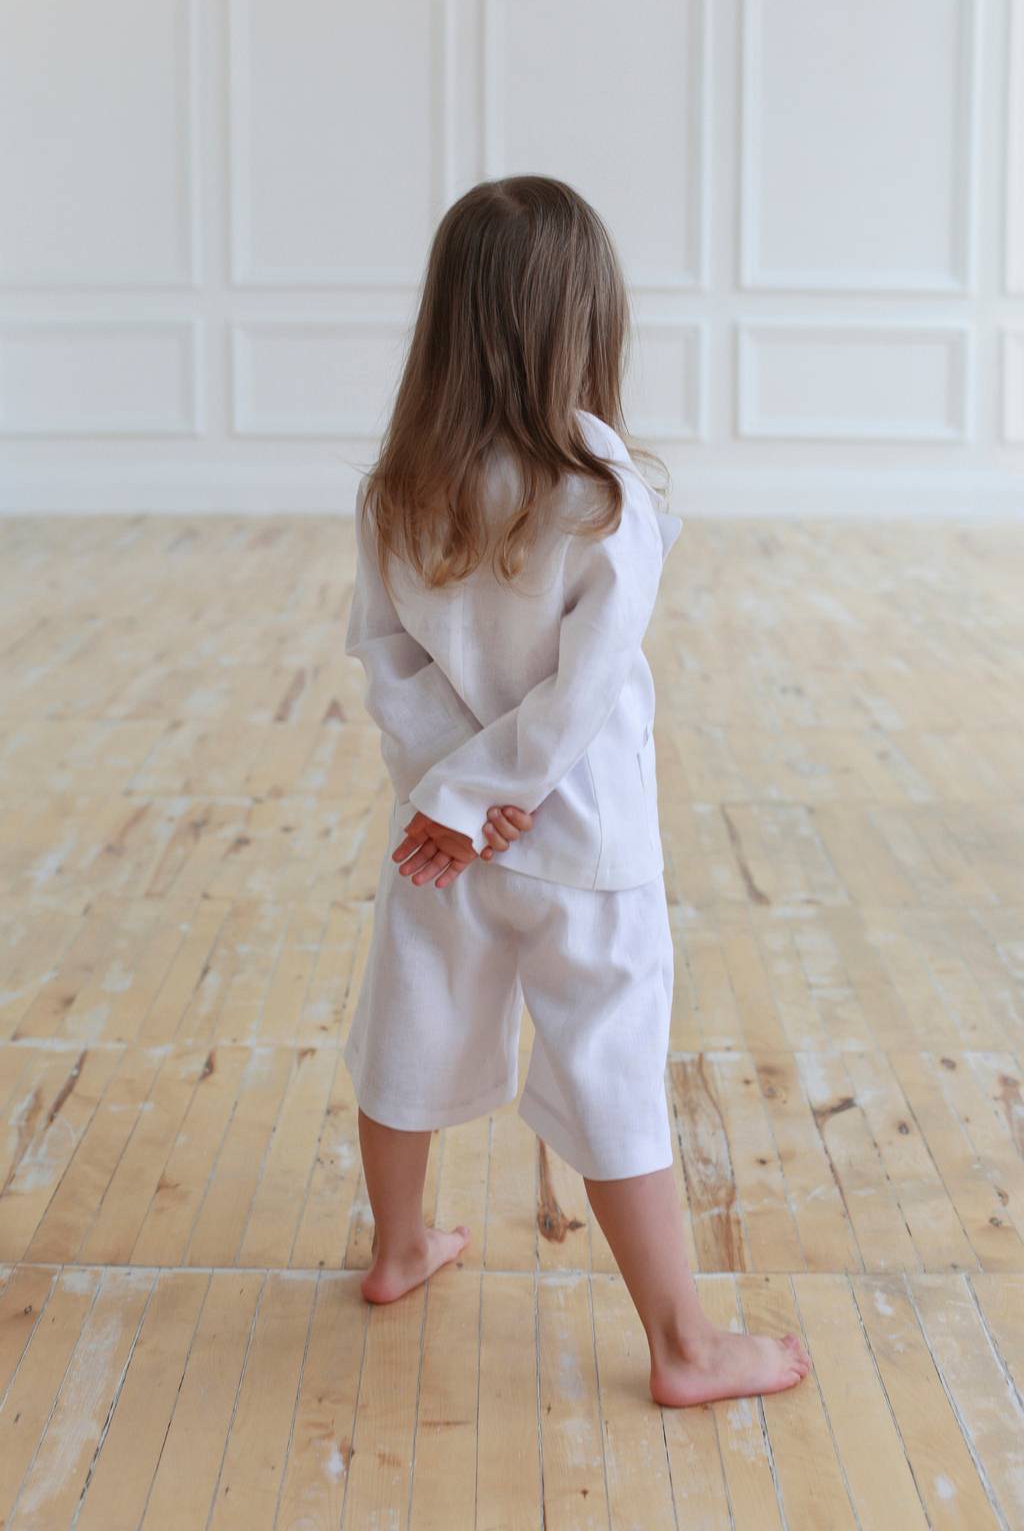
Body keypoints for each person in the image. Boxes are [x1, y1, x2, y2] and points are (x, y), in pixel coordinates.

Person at [342, 175, 811, 1407]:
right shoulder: (602, 486)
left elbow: (387, 660)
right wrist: (501, 790)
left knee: (407, 1024)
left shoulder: (400, 483)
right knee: (611, 1061)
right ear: (585, 320)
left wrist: (453, 798)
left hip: (437, 841)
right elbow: (585, 684)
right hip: (583, 839)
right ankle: (685, 1345)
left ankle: (398, 1246)